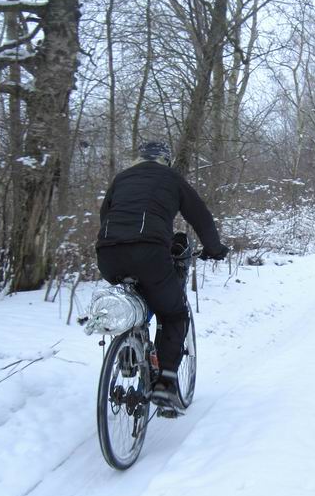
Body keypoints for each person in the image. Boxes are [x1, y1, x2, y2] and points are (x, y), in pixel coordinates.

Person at [96, 140, 228, 403]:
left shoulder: (121, 179)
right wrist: (214, 248)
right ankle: (165, 382)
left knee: (136, 294)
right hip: (150, 253)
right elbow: (200, 216)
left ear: (140, 159)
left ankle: (131, 342)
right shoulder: (170, 177)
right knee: (174, 313)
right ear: (165, 160)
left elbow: (105, 215)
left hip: (108, 254)